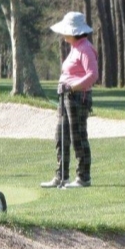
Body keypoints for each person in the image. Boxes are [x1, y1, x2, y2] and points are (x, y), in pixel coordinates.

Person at [41, 12, 98, 189]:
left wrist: (72, 87)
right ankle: (61, 176)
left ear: (75, 32)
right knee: (61, 136)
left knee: (78, 137)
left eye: (66, 31)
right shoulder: (75, 47)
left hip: (77, 98)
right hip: (66, 96)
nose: (63, 34)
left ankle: (83, 177)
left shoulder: (85, 48)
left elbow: (93, 75)